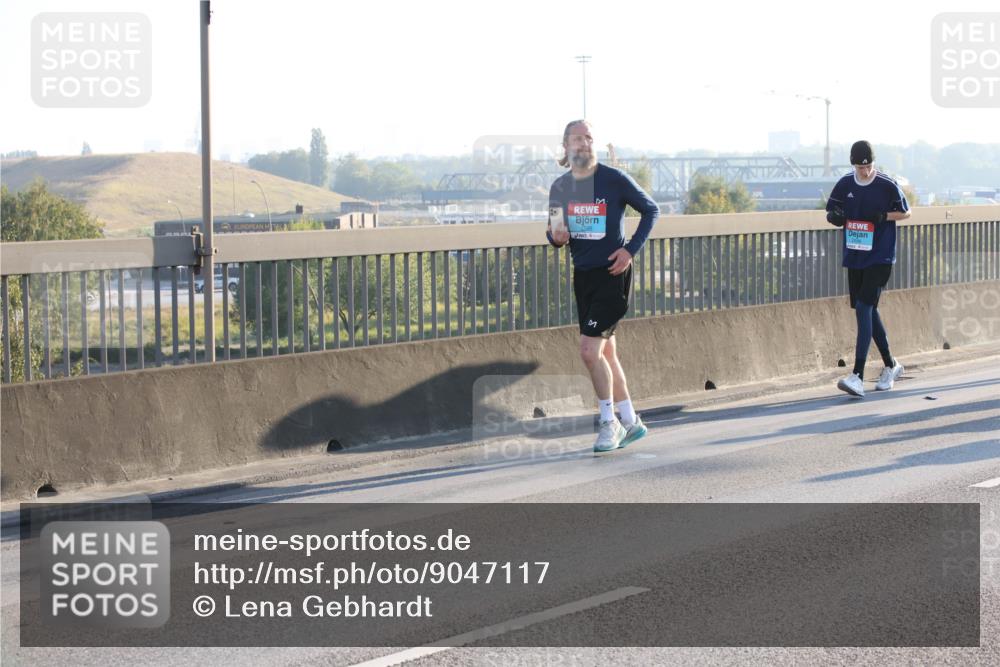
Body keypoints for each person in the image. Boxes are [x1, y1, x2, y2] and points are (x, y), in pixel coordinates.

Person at [546, 119, 660, 452]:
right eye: (577, 139)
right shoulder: (560, 188)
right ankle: (631, 420)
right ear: (566, 147)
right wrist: (556, 237)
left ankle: (609, 424)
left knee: (588, 351)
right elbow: (554, 232)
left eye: (589, 138)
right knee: (607, 351)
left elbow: (651, 210)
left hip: (613, 273)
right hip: (583, 276)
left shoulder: (613, 179)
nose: (584, 144)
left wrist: (630, 250)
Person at [825, 140, 910, 398]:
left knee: (863, 308)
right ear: (854, 165)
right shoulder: (845, 184)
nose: (866, 171)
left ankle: (857, 375)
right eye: (861, 167)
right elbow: (831, 210)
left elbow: (905, 212)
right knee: (869, 311)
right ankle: (891, 365)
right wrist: (835, 217)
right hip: (855, 255)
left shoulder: (886, 184)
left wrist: (884, 216)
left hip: (881, 256)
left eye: (869, 166)